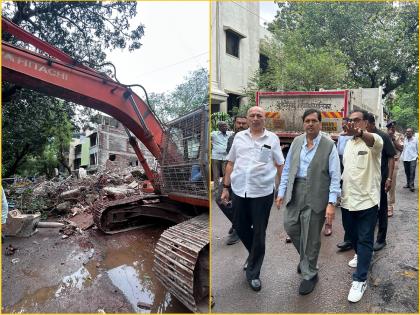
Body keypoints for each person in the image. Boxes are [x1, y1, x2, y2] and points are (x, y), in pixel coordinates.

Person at [276, 109, 341, 295]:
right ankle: (306, 260)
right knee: (291, 226)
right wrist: (281, 192)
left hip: (317, 194)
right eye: (307, 121)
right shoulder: (297, 142)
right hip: (296, 191)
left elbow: (335, 176)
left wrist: (331, 203)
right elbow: (287, 168)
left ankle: (310, 274)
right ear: (303, 123)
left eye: (314, 120)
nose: (310, 124)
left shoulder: (329, 146)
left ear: (320, 124)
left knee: (312, 237)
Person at [221, 106, 284, 292]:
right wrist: (226, 187)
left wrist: (281, 190)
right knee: (239, 226)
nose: (255, 118)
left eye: (259, 116)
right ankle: (255, 253)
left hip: (262, 192)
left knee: (259, 232)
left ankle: (253, 273)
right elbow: (231, 163)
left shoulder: (272, 139)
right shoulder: (239, 138)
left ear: (265, 119)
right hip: (239, 190)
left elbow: (280, 165)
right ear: (247, 119)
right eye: (252, 115)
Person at [340, 109, 383, 303]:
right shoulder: (348, 143)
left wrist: (359, 133)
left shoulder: (374, 140)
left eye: (357, 120)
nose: (353, 123)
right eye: (351, 120)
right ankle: (361, 255)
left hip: (367, 200)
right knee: (352, 235)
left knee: (365, 239)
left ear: (366, 123)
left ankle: (360, 279)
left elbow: (373, 142)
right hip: (348, 200)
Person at [366, 113, 396, 251]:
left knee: (382, 208)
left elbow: (391, 157)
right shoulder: (363, 137)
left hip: (381, 179)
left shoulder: (383, 137)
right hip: (367, 179)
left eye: (364, 123)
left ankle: (381, 239)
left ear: (371, 123)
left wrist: (389, 178)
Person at [223, 115, 248, 246]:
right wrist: (226, 184)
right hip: (234, 176)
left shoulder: (253, 138)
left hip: (247, 178)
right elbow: (230, 161)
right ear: (234, 123)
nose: (241, 125)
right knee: (223, 200)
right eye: (239, 123)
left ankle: (239, 229)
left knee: (240, 205)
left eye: (244, 123)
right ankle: (237, 223)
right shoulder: (232, 138)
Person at [336, 118, 354, 251]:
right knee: (346, 209)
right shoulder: (341, 137)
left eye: (345, 124)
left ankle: (358, 243)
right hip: (343, 169)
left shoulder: (359, 138)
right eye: (342, 125)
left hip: (357, 178)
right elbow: (338, 153)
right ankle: (348, 240)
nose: (344, 126)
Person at [386, 120, 404, 217]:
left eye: (393, 127)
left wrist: (393, 139)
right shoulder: (384, 135)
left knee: (391, 184)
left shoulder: (399, 136)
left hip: (394, 162)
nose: (391, 129)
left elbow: (401, 148)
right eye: (390, 127)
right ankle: (383, 205)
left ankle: (390, 206)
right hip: (384, 162)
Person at [211, 121, 233, 198]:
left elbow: (236, 133)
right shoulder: (214, 134)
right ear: (219, 127)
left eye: (225, 126)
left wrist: (229, 128)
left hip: (226, 157)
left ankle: (224, 190)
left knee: (226, 174)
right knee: (216, 175)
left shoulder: (230, 133)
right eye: (222, 126)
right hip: (215, 157)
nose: (224, 127)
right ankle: (216, 191)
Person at [401, 127, 418, 192]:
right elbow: (402, 148)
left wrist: (417, 156)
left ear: (412, 133)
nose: (407, 132)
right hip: (405, 158)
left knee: (412, 171)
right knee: (407, 171)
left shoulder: (415, 140)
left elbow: (418, 148)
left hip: (413, 158)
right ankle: (408, 183)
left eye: (409, 131)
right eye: (407, 131)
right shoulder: (404, 139)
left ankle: (411, 185)